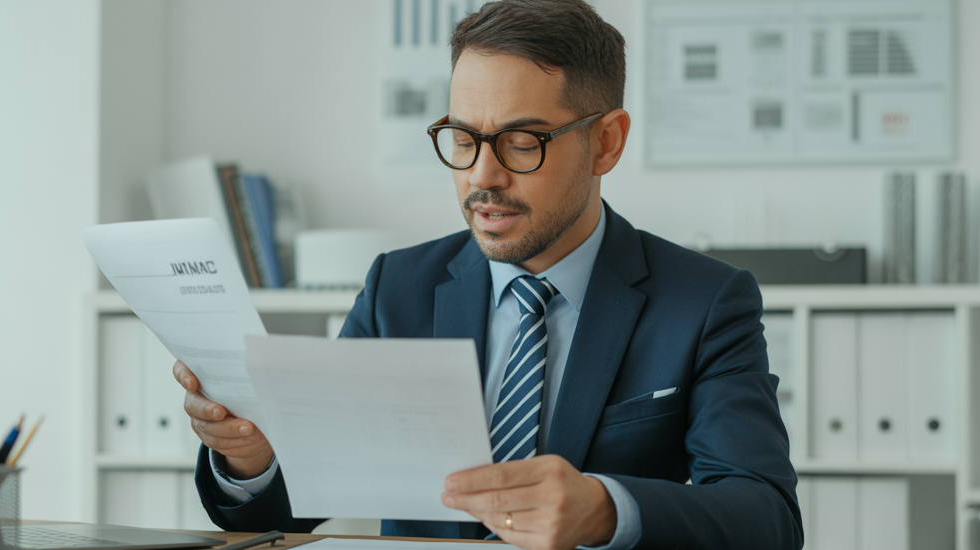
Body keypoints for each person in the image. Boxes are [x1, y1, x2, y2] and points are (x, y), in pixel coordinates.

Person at [174, 1, 801, 548]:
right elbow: (300, 506)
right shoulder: (399, 288)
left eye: (523, 142)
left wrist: (604, 510)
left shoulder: (705, 301)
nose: (481, 177)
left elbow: (765, 515)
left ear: (606, 143)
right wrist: (252, 460)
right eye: (463, 137)